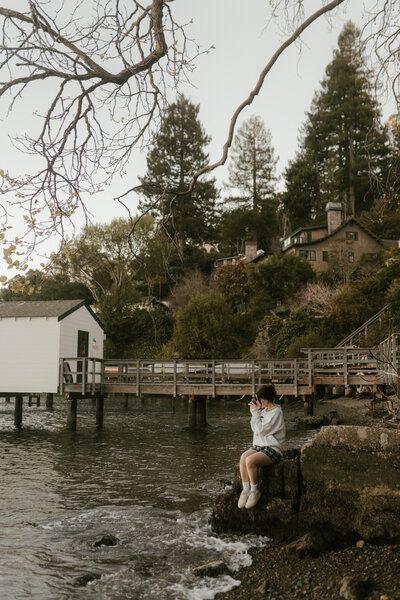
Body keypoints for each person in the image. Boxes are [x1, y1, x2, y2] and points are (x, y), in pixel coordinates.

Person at [238, 384, 286, 509]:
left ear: (264, 399)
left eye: (258, 399)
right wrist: (256, 412)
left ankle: (255, 491)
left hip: (273, 448)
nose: (257, 402)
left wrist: (254, 413)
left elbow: (260, 430)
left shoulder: (276, 412)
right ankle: (245, 490)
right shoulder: (263, 410)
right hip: (260, 445)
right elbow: (255, 428)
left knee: (250, 461)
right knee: (243, 457)